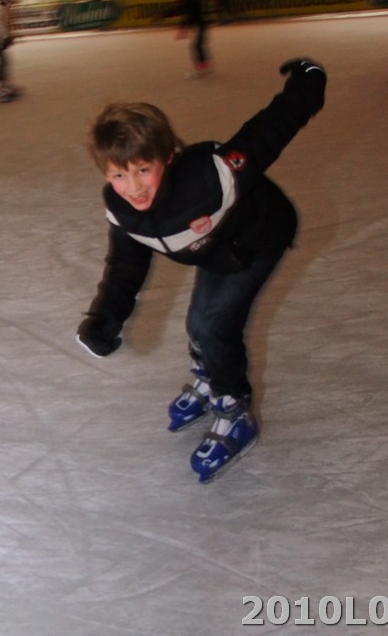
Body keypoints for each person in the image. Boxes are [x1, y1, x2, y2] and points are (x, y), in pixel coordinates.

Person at [76, 57, 327, 483]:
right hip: (214, 249)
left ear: (167, 158)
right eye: (118, 175)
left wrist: (309, 80)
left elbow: (270, 130)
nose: (132, 187)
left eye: (143, 170)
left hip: (259, 237)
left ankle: (234, 407)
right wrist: (104, 318)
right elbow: (125, 266)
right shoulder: (123, 209)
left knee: (214, 325)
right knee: (199, 324)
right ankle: (212, 374)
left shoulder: (211, 177)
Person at [161, 0, 211, 79]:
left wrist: (183, 27)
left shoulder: (192, 0)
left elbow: (191, 15)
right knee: (198, 45)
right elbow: (177, 10)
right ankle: (204, 65)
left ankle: (200, 67)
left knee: (196, 46)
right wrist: (164, 14)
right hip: (199, 24)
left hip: (201, 24)